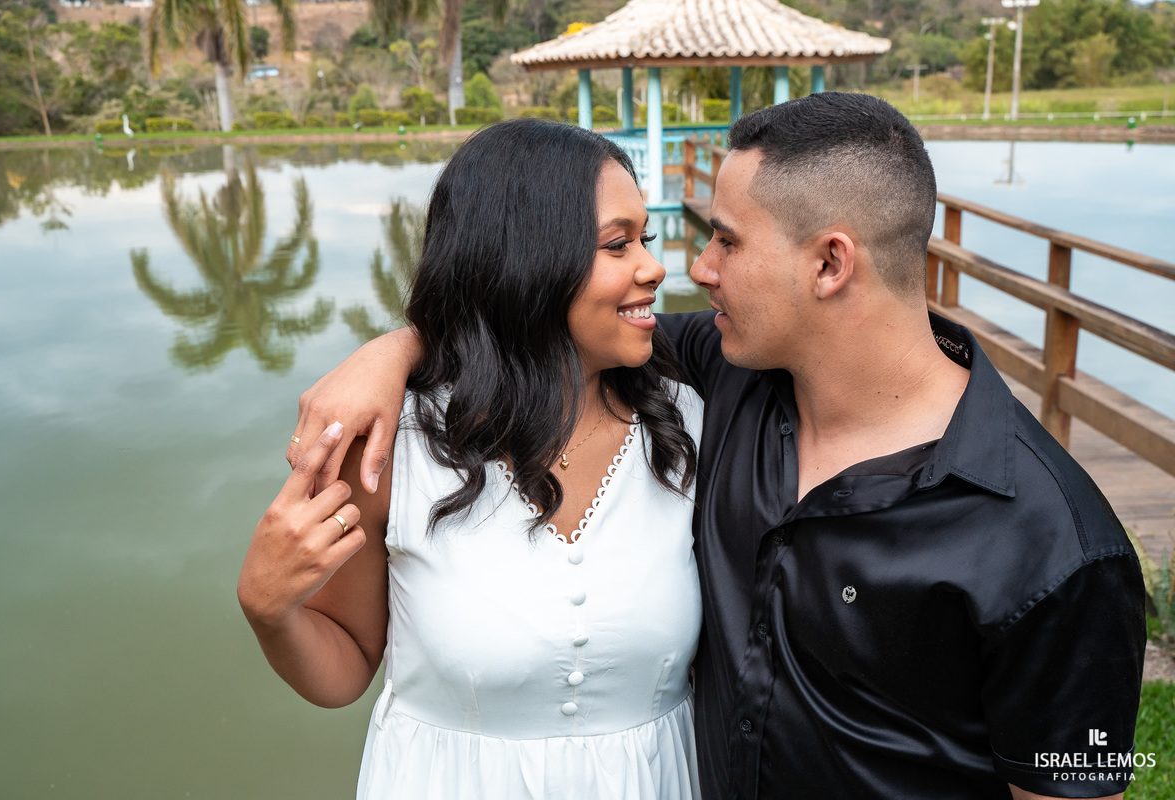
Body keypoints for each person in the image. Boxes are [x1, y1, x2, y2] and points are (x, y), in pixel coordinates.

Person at [288, 94, 1147, 800]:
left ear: (829, 264)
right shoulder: (728, 378)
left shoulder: (1060, 545)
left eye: (726, 240)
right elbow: (527, 311)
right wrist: (397, 350)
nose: (693, 268)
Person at [238, 118, 707, 800]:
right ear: (525, 260)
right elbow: (347, 664)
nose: (655, 267)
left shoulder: (689, 424)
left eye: (646, 239)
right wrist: (267, 610)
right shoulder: (391, 445)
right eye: (617, 244)